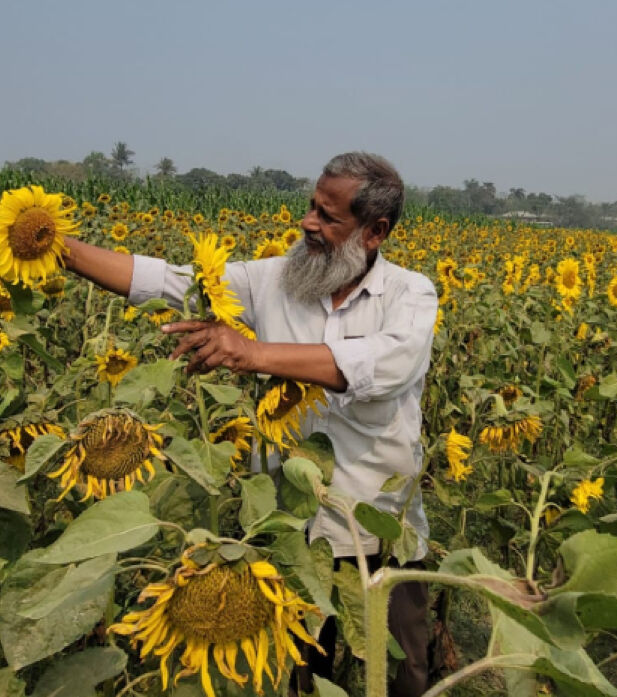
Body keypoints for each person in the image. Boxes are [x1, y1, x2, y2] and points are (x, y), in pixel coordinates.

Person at [62, 152, 439, 697]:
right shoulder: (273, 279)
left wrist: (253, 353)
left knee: (404, 672)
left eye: (327, 217)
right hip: (286, 533)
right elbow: (171, 283)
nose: (308, 223)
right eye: (311, 207)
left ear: (375, 231)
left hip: (377, 528)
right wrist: (58, 248)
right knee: (298, 677)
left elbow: (383, 365)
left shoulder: (410, 294)